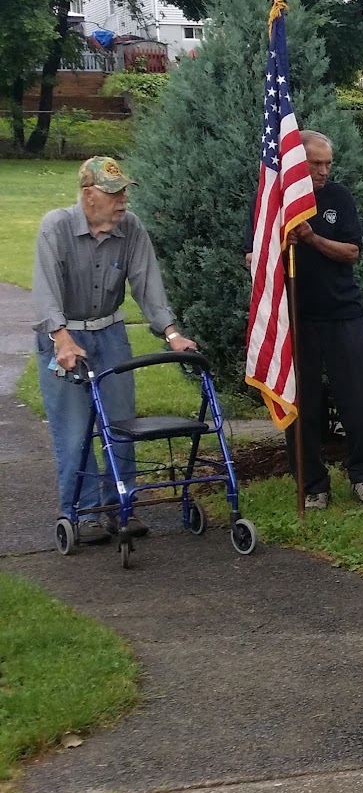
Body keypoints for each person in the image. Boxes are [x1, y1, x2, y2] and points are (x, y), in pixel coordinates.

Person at [31, 156, 199, 535]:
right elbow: (45, 294)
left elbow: (147, 285)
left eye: (124, 191)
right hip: (65, 337)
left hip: (110, 335)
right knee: (74, 432)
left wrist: (172, 334)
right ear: (88, 196)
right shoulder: (55, 228)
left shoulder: (132, 229)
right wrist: (62, 340)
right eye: (113, 193)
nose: (122, 200)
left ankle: (123, 504)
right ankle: (84, 513)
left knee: (122, 427)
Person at [289, 131, 363, 509]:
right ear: (298, 163)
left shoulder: (339, 198)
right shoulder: (276, 202)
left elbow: (351, 252)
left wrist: (313, 239)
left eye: (328, 163)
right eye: (316, 164)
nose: (324, 171)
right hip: (297, 316)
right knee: (303, 401)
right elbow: (255, 256)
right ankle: (313, 483)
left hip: (342, 311)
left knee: (358, 396)